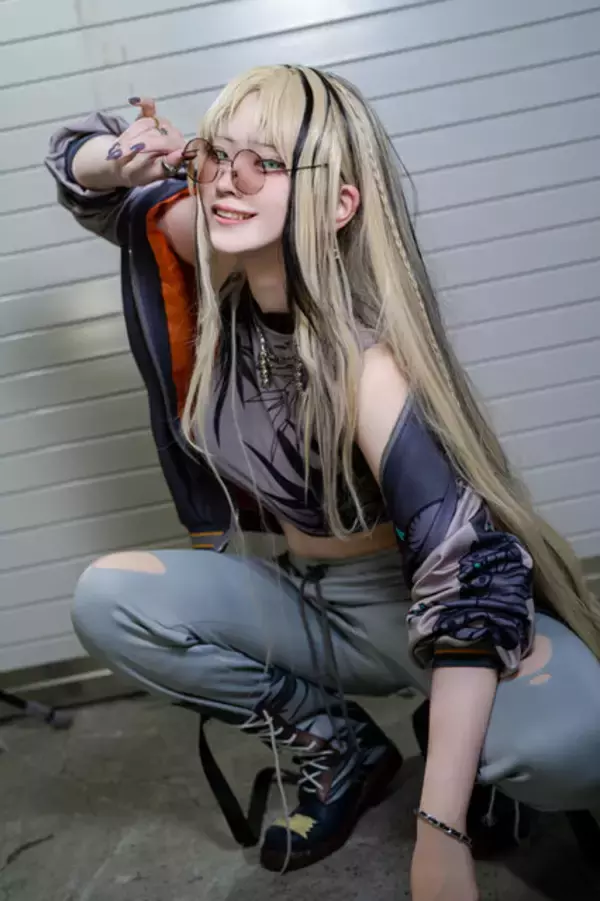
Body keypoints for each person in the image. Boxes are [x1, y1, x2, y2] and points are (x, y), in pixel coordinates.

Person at [45, 65, 600, 899]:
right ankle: (339, 744)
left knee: (575, 745)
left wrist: (438, 830)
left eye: (265, 161)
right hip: (302, 594)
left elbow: (465, 581)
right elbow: (86, 178)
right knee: (108, 598)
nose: (228, 179)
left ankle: (475, 762)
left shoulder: (368, 362)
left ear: (338, 203)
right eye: (217, 153)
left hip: (407, 600)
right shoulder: (218, 258)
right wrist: (126, 156)